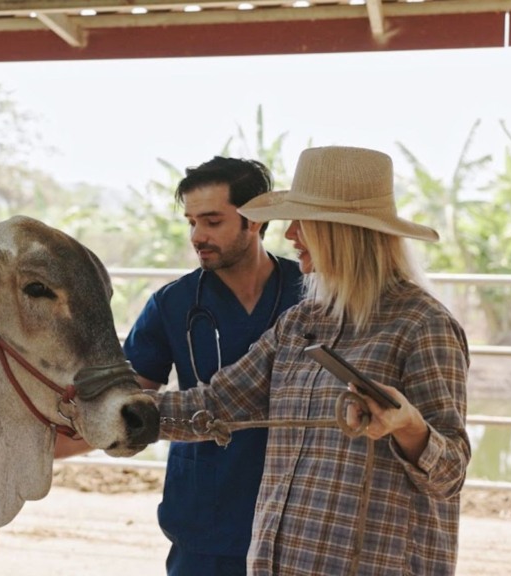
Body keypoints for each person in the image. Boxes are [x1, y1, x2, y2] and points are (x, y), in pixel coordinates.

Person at [151, 145, 471, 576]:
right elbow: (217, 402)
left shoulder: (422, 325)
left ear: (340, 231)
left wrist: (409, 426)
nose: (289, 235)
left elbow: (449, 473)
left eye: (303, 222)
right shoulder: (300, 322)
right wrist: (120, 413)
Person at [122, 156, 304, 576]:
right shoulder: (172, 304)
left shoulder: (311, 295)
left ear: (254, 220)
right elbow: (130, 401)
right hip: (205, 516)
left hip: (294, 513)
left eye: (212, 221)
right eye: (191, 222)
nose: (197, 236)